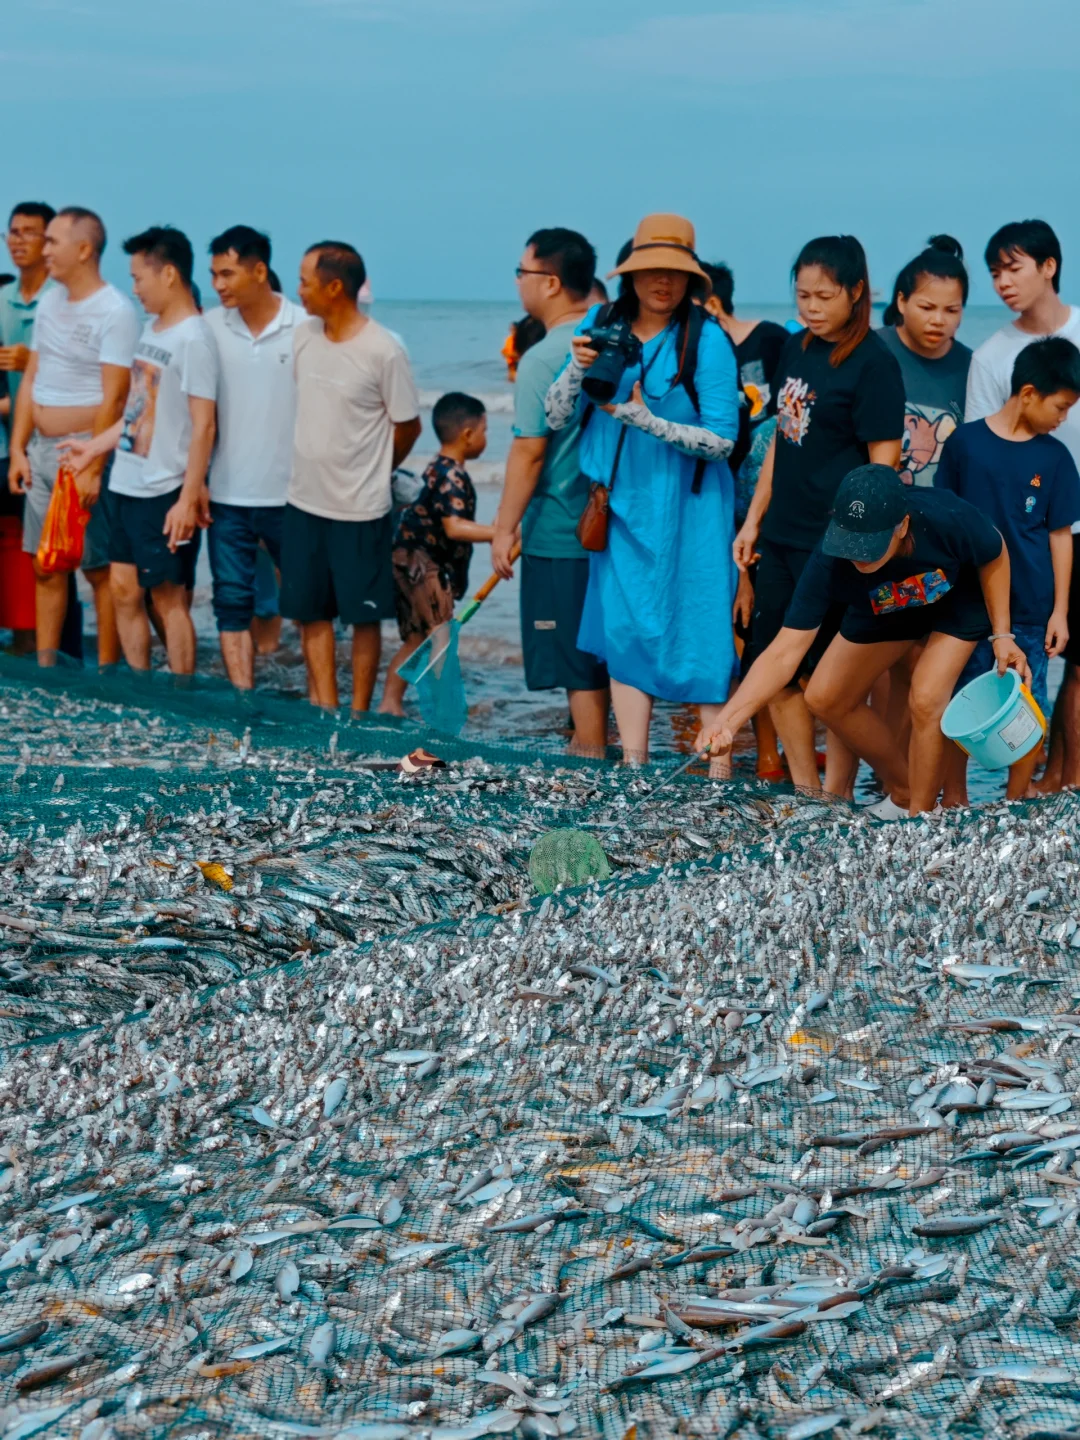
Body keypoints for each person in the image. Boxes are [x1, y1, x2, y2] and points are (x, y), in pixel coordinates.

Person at [696, 464, 1029, 816]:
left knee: (927, 697)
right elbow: (783, 652)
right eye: (849, 541)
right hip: (885, 603)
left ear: (902, 526)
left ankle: (921, 818)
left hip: (955, 602)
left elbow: (995, 552)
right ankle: (905, 789)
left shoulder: (947, 517)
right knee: (825, 697)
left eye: (869, 544)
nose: (857, 553)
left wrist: (1002, 634)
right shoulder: (831, 560)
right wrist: (727, 721)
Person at [544, 213, 739, 766]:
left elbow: (723, 440)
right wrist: (575, 370)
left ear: (691, 279)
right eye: (651, 270)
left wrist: (644, 418)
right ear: (630, 273)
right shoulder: (602, 322)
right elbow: (557, 416)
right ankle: (634, 765)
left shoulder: (707, 339)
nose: (663, 282)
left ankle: (718, 773)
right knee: (626, 635)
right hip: (621, 510)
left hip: (692, 510)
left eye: (675, 272)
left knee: (702, 632)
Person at [734, 236, 905, 793]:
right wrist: (754, 520)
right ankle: (809, 795)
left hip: (835, 544)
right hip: (781, 534)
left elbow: (884, 467)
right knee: (774, 669)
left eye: (824, 295)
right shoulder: (795, 347)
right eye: (802, 294)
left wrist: (867, 545)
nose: (810, 306)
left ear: (856, 292)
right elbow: (782, 440)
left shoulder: (874, 365)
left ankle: (878, 789)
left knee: (827, 685)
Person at [60, 227, 217, 676]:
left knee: (168, 597)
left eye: (138, 278)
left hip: (163, 489)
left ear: (168, 274)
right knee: (125, 590)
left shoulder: (194, 339)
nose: (134, 289)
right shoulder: (152, 330)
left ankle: (182, 691)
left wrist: (188, 497)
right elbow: (136, 414)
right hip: (126, 480)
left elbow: (205, 424)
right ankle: (141, 683)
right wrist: (92, 447)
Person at [937, 338, 1080, 803]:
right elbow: (944, 520)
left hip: (1032, 610)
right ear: (1029, 393)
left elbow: (1060, 534)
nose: (1064, 419)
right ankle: (956, 802)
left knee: (1027, 710)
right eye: (1061, 407)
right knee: (958, 702)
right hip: (965, 605)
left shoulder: (1056, 458)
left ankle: (1013, 803)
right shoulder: (964, 445)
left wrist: (1060, 612)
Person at [282, 240, 421, 712]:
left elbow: (408, 424)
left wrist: (375, 469)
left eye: (304, 280)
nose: (298, 290)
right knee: (310, 612)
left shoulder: (383, 350)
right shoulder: (303, 336)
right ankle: (325, 706)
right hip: (303, 501)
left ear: (334, 286)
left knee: (364, 617)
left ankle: (359, 710)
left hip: (360, 508)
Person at [966, 219, 1080, 790]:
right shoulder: (991, 357)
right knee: (1019, 660)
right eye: (994, 273)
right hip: (1024, 537)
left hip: (1068, 525)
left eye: (1013, 268)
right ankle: (1028, 785)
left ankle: (1064, 782)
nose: (1002, 282)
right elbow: (986, 453)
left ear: (1048, 266)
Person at [491, 227, 609, 756]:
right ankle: (613, 749)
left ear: (552, 282)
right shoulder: (610, 339)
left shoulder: (544, 356)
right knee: (604, 653)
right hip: (613, 528)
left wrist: (502, 527)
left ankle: (590, 756)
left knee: (573, 657)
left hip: (562, 528)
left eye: (523, 272)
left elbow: (529, 451)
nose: (518, 282)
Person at [7, 207, 137, 666]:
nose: (44, 250)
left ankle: (104, 667)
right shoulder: (50, 302)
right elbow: (33, 377)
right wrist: (20, 449)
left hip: (85, 450)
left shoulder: (115, 310)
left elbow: (116, 397)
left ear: (84, 250)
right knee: (45, 563)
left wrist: (94, 465)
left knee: (98, 567)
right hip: (41, 450)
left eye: (53, 242)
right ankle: (47, 664)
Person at [204, 224, 305, 689]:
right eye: (213, 275)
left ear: (259, 270)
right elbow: (196, 416)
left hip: (295, 496)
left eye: (226, 273)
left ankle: (318, 700)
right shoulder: (208, 328)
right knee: (231, 602)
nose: (218, 284)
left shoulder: (305, 328)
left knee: (307, 602)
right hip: (226, 496)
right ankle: (244, 699)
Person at [701, 259, 788, 779]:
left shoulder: (771, 340)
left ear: (711, 302)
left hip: (765, 502)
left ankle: (771, 753)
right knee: (734, 628)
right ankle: (744, 743)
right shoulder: (692, 350)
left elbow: (785, 425)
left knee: (766, 631)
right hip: (719, 501)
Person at [381, 392, 494, 715]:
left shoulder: (436, 467)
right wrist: (499, 534)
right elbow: (455, 528)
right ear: (468, 434)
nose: (487, 438)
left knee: (417, 639)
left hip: (405, 559)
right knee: (441, 638)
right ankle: (446, 707)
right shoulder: (453, 475)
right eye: (485, 431)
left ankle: (390, 703)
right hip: (423, 565)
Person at [0, 203, 55, 655]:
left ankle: (55, 657)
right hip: (8, 448)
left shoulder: (63, 301)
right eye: (12, 232)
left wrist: (32, 362)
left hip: (55, 449)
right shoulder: (0, 300)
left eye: (29, 233)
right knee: (17, 558)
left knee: (51, 560)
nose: (18, 240)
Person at [880, 235, 972, 488]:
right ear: (902, 301)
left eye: (951, 310)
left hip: (942, 517)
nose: (938, 320)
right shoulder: (872, 352)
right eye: (927, 307)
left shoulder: (973, 369)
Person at [501, 315, 545, 382]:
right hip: (510, 363)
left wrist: (510, 354)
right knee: (511, 380)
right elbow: (506, 350)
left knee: (518, 379)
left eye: (513, 329)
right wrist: (504, 353)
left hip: (517, 363)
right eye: (511, 329)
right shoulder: (508, 339)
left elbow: (521, 353)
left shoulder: (520, 339)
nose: (512, 331)